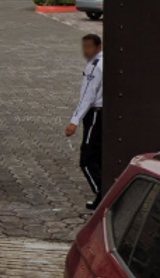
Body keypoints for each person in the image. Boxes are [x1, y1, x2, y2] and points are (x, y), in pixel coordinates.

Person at [65, 33, 103, 210]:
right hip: (103, 115)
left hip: (95, 114)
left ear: (98, 47)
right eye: (84, 46)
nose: (85, 50)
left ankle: (102, 194)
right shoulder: (104, 62)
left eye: (89, 47)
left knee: (87, 159)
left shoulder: (94, 66)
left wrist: (74, 120)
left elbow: (87, 95)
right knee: (99, 156)